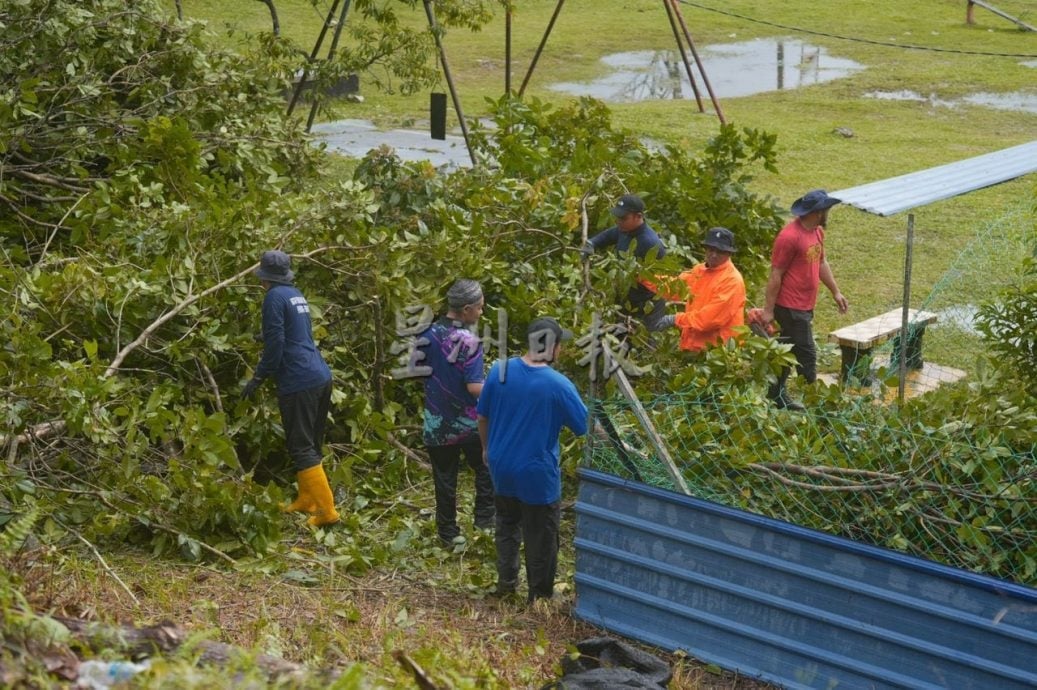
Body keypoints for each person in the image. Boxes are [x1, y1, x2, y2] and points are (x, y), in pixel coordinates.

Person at [477, 317, 588, 602]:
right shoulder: (558, 385)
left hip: (501, 467)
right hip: (536, 474)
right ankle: (539, 596)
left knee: (507, 525)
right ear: (552, 348)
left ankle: (506, 584)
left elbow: (483, 415)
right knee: (542, 536)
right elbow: (585, 427)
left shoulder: (499, 371)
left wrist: (487, 449)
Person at [241, 250, 339, 527]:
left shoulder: (273, 297)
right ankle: (307, 499)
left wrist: (258, 378)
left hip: (299, 379)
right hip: (319, 374)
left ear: (264, 278)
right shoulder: (295, 294)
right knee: (311, 442)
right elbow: (295, 332)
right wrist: (266, 334)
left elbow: (276, 347)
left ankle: (326, 511)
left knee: (300, 446)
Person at [417, 279, 495, 545]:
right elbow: (475, 387)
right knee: (485, 469)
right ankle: (484, 523)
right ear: (466, 310)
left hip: (437, 422)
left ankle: (448, 534)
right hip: (469, 423)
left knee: (444, 477)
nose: (481, 313)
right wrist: (500, 398)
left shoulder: (426, 334)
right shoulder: (469, 341)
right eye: (480, 308)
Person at [762, 190, 849, 410]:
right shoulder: (789, 237)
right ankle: (816, 404)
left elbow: (821, 263)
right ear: (818, 212)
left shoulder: (817, 232)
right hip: (790, 307)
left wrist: (836, 292)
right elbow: (776, 274)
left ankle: (776, 395)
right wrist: (768, 311)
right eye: (827, 210)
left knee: (787, 351)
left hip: (805, 305)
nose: (828, 213)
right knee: (807, 355)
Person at [581, 193, 668, 330]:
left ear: (638, 216)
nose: (619, 221)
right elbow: (609, 235)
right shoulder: (625, 229)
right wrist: (591, 243)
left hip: (647, 305)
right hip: (626, 299)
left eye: (623, 218)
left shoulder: (649, 243)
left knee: (646, 345)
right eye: (618, 218)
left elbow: (661, 280)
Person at [657, 227, 746, 353]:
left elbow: (708, 320)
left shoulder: (732, 281)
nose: (714, 255)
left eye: (719, 251)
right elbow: (674, 287)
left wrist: (674, 319)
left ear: (729, 253)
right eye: (711, 249)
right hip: (694, 348)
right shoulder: (699, 271)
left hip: (718, 355)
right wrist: (643, 277)